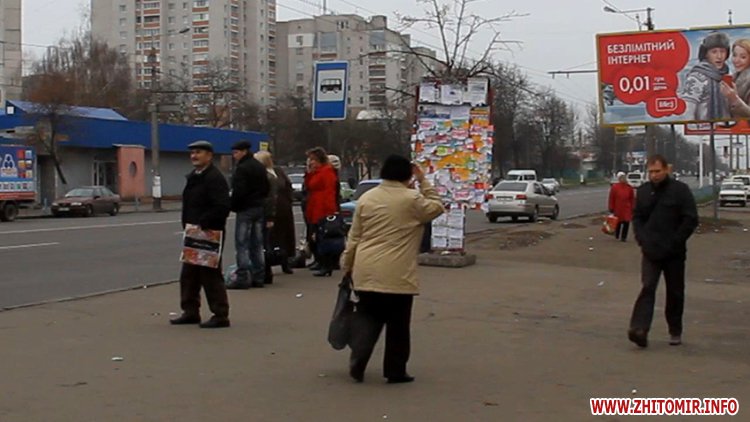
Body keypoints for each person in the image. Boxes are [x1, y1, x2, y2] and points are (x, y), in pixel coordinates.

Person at [341, 155, 445, 384]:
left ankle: (358, 360)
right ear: (407, 175)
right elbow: (437, 207)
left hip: (366, 268)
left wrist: (347, 265)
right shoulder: (412, 199)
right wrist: (423, 180)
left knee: (368, 319)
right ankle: (395, 370)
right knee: (398, 324)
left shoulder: (367, 198)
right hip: (397, 272)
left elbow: (354, 237)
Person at [628, 155, 698, 348]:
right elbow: (637, 217)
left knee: (675, 291)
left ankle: (675, 330)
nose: (654, 175)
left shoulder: (680, 190)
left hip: (674, 252)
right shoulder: (643, 191)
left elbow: (690, 219)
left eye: (657, 171)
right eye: (651, 172)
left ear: (667, 170)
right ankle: (639, 329)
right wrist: (642, 239)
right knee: (648, 287)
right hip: (650, 250)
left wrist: (676, 241)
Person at [171, 140, 231, 329]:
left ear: (209, 156)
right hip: (193, 232)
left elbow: (222, 206)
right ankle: (190, 311)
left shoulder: (214, 178)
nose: (194, 156)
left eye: (198, 152)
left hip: (209, 232)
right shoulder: (194, 177)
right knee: (189, 274)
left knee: (210, 274)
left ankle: (220, 314)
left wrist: (205, 222)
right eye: (192, 153)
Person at [227, 141, 269, 289]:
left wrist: (233, 205)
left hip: (245, 209)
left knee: (242, 244)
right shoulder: (259, 166)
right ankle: (259, 276)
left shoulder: (242, 168)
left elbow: (239, 191)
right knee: (257, 244)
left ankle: (243, 277)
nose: (234, 156)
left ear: (243, 151)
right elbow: (266, 188)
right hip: (258, 207)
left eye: (236, 152)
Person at [255, 151, 296, 278]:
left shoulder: (277, 171)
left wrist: (289, 200)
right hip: (271, 209)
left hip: (282, 208)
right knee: (270, 239)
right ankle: (269, 265)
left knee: (283, 237)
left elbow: (288, 186)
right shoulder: (261, 174)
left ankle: (285, 262)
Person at [304, 147, 339, 277]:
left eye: (312, 159)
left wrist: (330, 211)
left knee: (323, 237)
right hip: (315, 206)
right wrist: (309, 173)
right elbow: (309, 186)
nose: (310, 162)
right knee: (317, 236)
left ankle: (326, 264)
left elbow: (330, 192)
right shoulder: (317, 172)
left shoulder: (327, 172)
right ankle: (321, 262)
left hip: (322, 207)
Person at [682, 31, 731, 121]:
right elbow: (687, 111)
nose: (719, 56)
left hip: (728, 128)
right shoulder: (696, 78)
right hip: (705, 128)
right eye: (714, 52)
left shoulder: (727, 76)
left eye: (722, 51)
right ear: (706, 54)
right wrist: (694, 129)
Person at [720, 39, 750, 117]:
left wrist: (734, 99)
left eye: (743, 57)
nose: (736, 60)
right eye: (734, 55)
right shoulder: (734, 77)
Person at [608, 171, 635, 242]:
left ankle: (624, 237)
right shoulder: (615, 187)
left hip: (627, 208)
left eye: (624, 177)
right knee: (618, 222)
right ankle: (617, 234)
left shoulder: (629, 187)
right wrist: (611, 208)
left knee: (626, 222)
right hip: (618, 208)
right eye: (621, 178)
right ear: (619, 179)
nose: (623, 179)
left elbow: (632, 199)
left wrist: (633, 208)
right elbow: (612, 198)